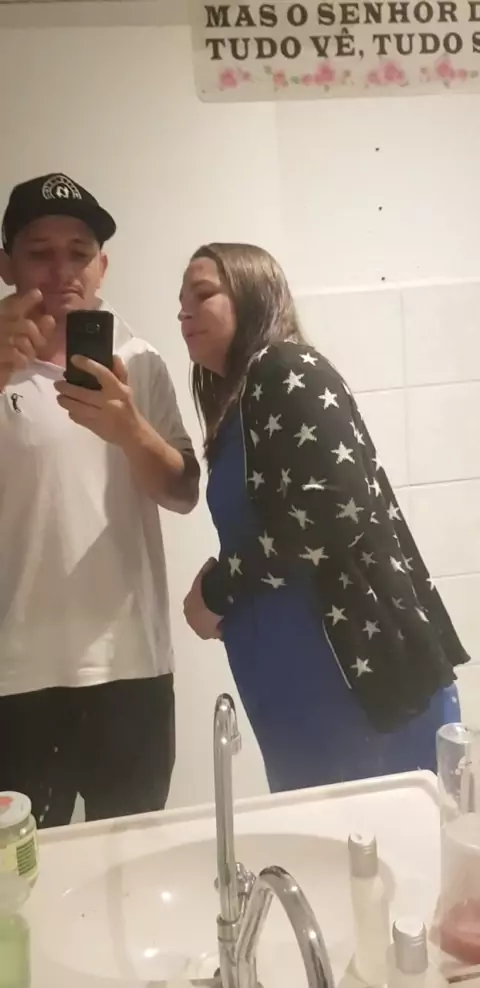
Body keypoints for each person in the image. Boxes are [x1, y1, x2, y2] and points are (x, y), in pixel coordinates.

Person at [182, 242, 469, 793]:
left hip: (351, 686)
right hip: (306, 684)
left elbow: (333, 513)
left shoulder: (284, 367)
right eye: (180, 302)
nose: (183, 312)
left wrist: (217, 590)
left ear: (253, 293)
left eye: (203, 294)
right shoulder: (244, 400)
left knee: (383, 840)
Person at [0, 173, 199, 827]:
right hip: (15, 674)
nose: (63, 271)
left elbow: (184, 493)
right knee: (21, 872)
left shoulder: (140, 362)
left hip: (131, 664)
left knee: (133, 860)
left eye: (79, 252)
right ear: (6, 265)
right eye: (40, 252)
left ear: (102, 267)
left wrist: (132, 430)